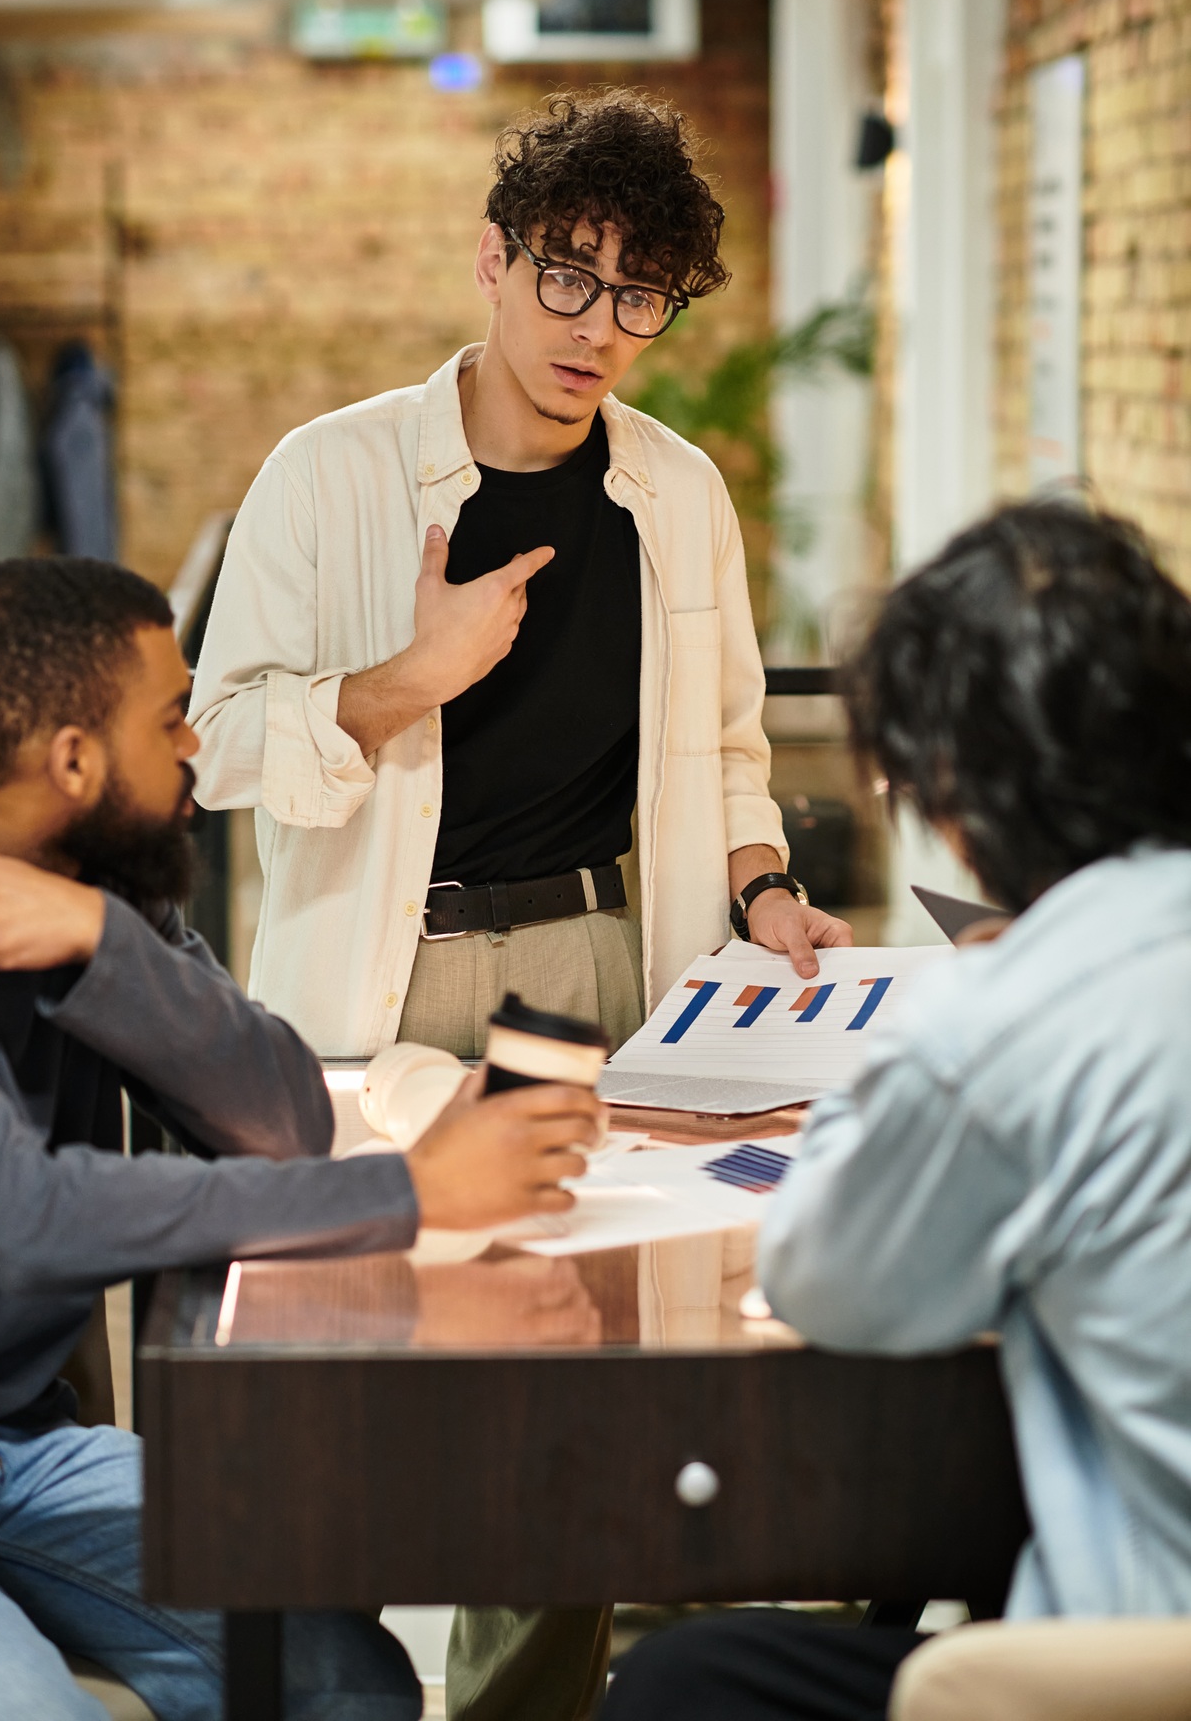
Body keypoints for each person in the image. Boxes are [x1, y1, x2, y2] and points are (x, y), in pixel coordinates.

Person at [189, 86, 854, 1721]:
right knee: (343, 1380)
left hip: (580, 970)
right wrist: (399, 682)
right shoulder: (330, 474)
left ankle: (520, 1708)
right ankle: (329, 1689)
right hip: (369, 975)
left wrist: (761, 881)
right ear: (491, 261)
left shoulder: (674, 491)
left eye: (639, 297)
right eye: (567, 276)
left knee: (563, 1377)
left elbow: (720, 743)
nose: (597, 328)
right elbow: (209, 744)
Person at [0, 556, 602, 1721]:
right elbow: (16, 1215)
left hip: (19, 1445)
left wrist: (104, 939)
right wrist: (406, 1192)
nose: (196, 744)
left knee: (349, 1682)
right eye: (170, 718)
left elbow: (282, 1120)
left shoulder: (102, 880)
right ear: (72, 760)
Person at [603, 500, 1191, 1719]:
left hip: (1130, 1669)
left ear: (957, 793)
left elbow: (827, 1281)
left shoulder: (1004, 1019)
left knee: (679, 1681)